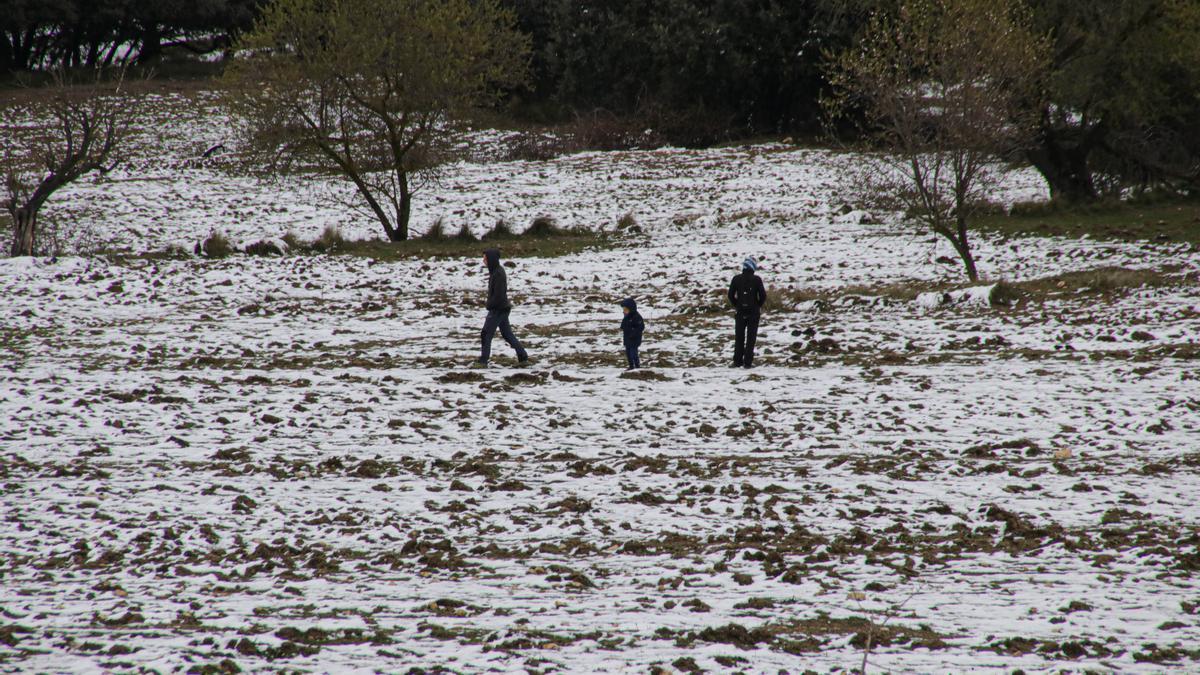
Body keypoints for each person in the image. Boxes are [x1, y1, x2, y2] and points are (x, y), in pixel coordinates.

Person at [477, 248, 529, 366]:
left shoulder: (498, 273)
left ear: (491, 259)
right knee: (507, 334)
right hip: (502, 308)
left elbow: (499, 295)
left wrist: (490, 305)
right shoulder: (495, 271)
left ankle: (483, 361)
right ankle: (523, 356)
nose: (483, 260)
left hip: (498, 309)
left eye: (485, 258)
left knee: (486, 333)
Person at [727, 256, 766, 368]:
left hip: (740, 312)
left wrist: (737, 305)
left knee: (739, 337)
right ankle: (748, 362)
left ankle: (737, 361)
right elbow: (763, 296)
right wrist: (757, 305)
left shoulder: (736, 279)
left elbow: (730, 295)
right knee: (751, 338)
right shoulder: (757, 279)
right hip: (753, 313)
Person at [619, 298, 644, 369]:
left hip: (634, 339)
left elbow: (640, 327)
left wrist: (634, 333)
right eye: (623, 310)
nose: (624, 311)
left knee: (633, 353)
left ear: (631, 309)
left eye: (625, 310)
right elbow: (623, 325)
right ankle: (631, 366)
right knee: (628, 353)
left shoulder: (636, 317)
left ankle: (637, 365)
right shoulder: (626, 317)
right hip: (627, 339)